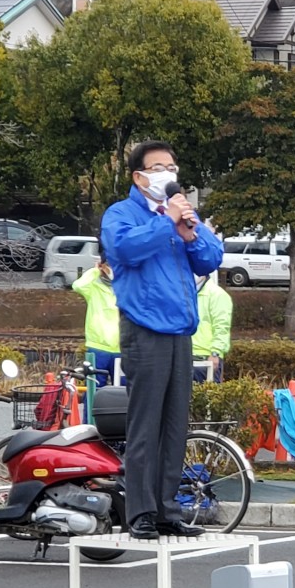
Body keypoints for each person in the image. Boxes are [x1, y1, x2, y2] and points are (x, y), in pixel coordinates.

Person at [100, 140, 223, 540]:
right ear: (139, 176)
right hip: (145, 328)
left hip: (180, 331)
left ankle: (169, 509)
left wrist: (191, 233)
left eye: (172, 166)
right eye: (158, 167)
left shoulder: (179, 215)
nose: (167, 174)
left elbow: (210, 258)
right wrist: (165, 221)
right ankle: (141, 512)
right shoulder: (122, 214)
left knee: (174, 426)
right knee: (145, 425)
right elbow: (124, 249)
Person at [71, 249, 120, 391]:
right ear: (102, 265)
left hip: (121, 347)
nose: (112, 268)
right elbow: (77, 286)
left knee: (124, 393)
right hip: (97, 347)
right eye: (109, 264)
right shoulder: (93, 286)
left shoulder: (125, 286)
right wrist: (94, 271)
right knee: (93, 390)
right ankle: (91, 415)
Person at [192, 272, 232, 383]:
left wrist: (215, 353)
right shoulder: (185, 294)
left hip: (206, 358)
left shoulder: (217, 295)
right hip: (185, 355)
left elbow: (222, 327)